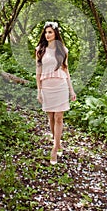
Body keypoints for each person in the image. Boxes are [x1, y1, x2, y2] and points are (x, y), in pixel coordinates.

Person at [35, 21, 76, 164]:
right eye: (46, 32)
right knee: (51, 117)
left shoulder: (63, 50)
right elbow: (38, 72)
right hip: (47, 87)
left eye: (50, 32)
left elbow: (66, 70)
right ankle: (57, 143)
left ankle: (54, 149)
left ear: (56, 33)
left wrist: (71, 90)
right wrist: (39, 91)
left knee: (59, 117)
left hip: (61, 86)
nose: (47, 35)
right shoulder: (40, 49)